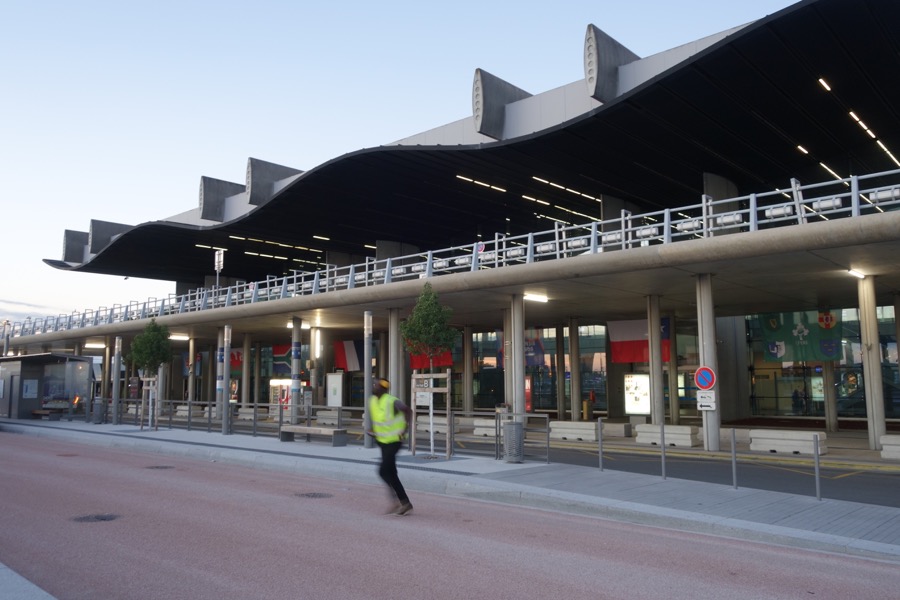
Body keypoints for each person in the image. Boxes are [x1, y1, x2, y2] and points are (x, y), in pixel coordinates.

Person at [366, 378, 413, 516]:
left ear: (382, 388)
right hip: (382, 442)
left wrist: (404, 430)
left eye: (376, 385)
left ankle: (396, 501)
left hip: (394, 442)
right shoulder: (372, 401)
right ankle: (405, 503)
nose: (373, 386)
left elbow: (408, 411)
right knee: (391, 474)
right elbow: (381, 420)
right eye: (373, 384)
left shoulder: (391, 400)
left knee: (382, 471)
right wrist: (373, 431)